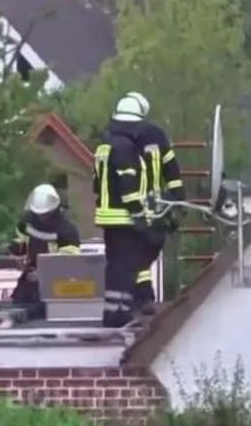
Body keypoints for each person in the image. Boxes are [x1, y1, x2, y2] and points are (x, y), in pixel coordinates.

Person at [118, 91, 183, 313]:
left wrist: (176, 201)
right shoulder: (157, 136)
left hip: (134, 206)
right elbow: (172, 171)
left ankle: (139, 298)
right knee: (141, 253)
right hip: (152, 207)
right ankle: (142, 297)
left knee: (138, 254)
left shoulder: (119, 137)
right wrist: (177, 200)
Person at [93, 95, 154, 328]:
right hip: (124, 217)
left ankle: (112, 311)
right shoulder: (125, 147)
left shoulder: (105, 146)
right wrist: (139, 213)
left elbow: (97, 183)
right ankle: (120, 313)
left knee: (115, 265)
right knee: (126, 267)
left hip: (108, 216)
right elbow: (128, 185)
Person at [8, 183, 81, 321]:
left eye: (45, 214)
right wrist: (17, 252)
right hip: (30, 277)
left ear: (54, 209)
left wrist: (44, 274)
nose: (41, 217)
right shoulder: (27, 222)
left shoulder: (67, 231)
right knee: (18, 301)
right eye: (38, 214)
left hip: (55, 282)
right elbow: (22, 241)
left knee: (41, 307)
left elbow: (70, 264)